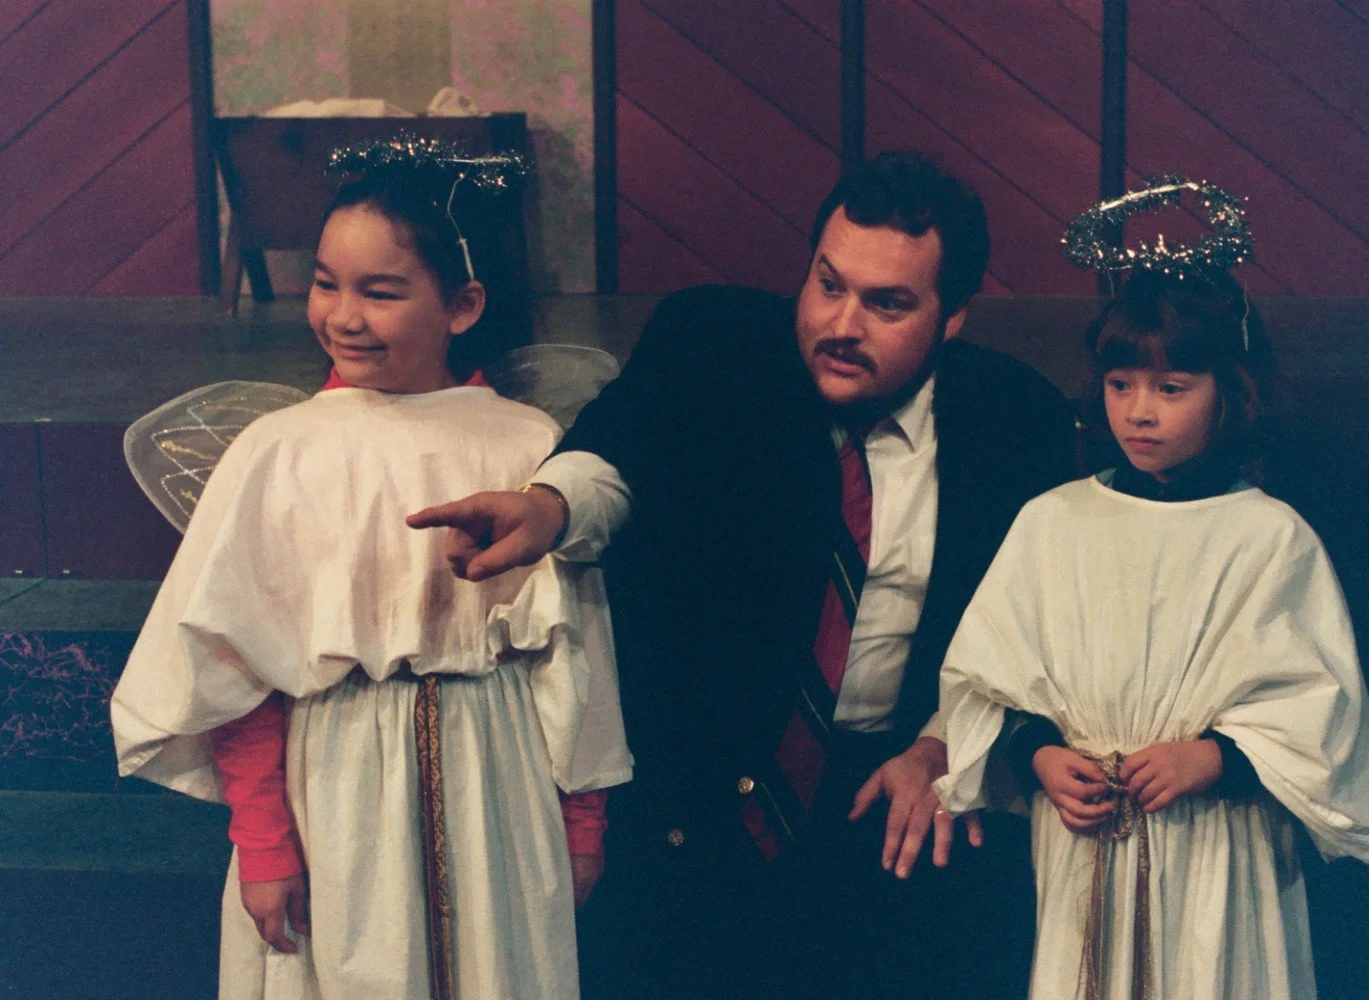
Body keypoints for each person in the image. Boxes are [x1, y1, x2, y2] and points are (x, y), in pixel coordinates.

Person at [408, 150, 1077, 999]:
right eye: (829, 284)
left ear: (953, 319)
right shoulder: (712, 343)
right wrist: (547, 508)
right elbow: (618, 457)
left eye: (889, 305)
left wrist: (944, 741)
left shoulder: (1016, 419)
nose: (843, 323)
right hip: (691, 798)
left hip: (885, 795)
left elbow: (1030, 617)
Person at [111, 156, 631, 1000]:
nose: (343, 316)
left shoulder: (523, 446)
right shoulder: (281, 453)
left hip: (495, 789)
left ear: (463, 305)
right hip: (338, 795)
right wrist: (267, 843)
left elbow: (572, 659)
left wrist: (581, 823)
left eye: (380, 292)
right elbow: (233, 665)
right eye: (326, 284)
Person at [934, 267, 1369, 999]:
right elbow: (985, 680)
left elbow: (1321, 710)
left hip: (1218, 847)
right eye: (1121, 385)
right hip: (1085, 842)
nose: (1139, 412)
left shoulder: (1269, 537)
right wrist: (1040, 753)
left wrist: (1213, 757)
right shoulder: (1053, 522)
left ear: (1229, 395)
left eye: (1171, 389)